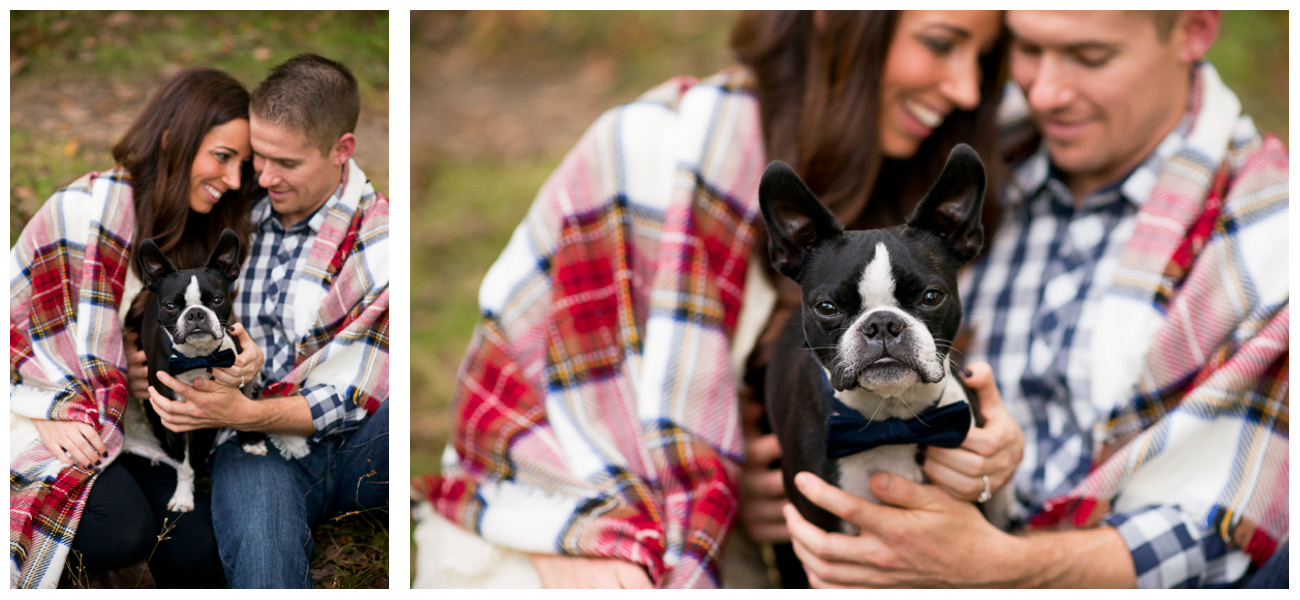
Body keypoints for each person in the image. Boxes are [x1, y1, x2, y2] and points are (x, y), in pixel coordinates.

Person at [415, 11, 1019, 588]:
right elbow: (516, 375)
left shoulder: (962, 163)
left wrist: (994, 458)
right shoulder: (654, 147)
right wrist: (700, 483)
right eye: (941, 43)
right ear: (835, 18)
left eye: (986, 60)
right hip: (607, 504)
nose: (967, 89)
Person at [783, 10, 1288, 588]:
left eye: (1089, 56)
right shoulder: (970, 145)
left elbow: (1240, 522)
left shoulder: (1269, 232)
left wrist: (1000, 568)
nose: (1045, 93)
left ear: (1193, 29)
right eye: (1025, 50)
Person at [141, 53, 390, 588]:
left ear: (342, 149)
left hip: (358, 440)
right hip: (254, 448)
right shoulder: (235, 207)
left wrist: (245, 410)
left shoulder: (383, 241)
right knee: (263, 558)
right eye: (260, 157)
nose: (264, 178)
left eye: (288, 164)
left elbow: (358, 392)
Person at [10, 67, 264, 588]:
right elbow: (13, 332)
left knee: (197, 554)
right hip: (34, 410)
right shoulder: (82, 213)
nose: (235, 180)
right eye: (222, 156)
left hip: (128, 420)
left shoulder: (198, 233)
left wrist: (235, 365)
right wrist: (44, 410)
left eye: (244, 165)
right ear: (174, 139)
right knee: (119, 531)